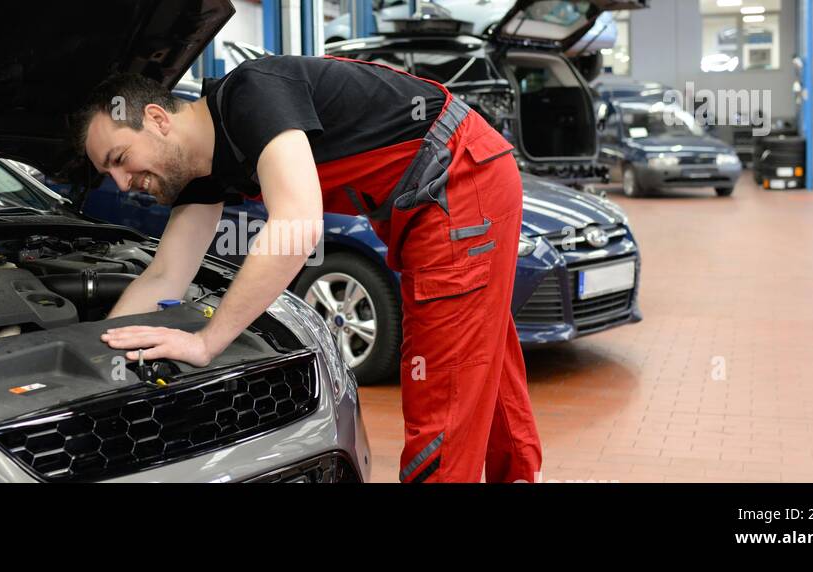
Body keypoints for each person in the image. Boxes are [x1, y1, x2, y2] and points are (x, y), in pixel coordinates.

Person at [75, 55, 541, 483]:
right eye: (106, 173)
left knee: (443, 383)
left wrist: (206, 340)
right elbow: (162, 276)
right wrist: (94, 357)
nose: (121, 183)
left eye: (119, 159)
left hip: (459, 178)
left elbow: (297, 224)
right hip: (434, 195)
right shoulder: (203, 172)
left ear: (157, 120)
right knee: (482, 357)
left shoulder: (251, 94)